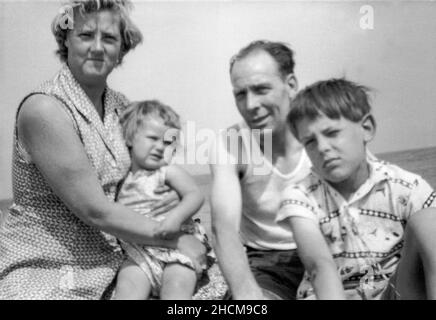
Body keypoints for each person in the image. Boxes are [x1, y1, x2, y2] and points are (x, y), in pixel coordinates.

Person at [0, 0, 205, 299]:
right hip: (49, 266)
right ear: (66, 39)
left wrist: (175, 204)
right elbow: (95, 210)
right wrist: (176, 239)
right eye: (85, 35)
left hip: (120, 255)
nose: (97, 47)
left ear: (121, 49)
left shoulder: (122, 107)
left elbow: (154, 163)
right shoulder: (44, 108)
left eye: (108, 38)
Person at [278, 78, 436, 299]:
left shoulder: (405, 187)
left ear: (367, 128)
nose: (323, 147)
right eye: (310, 141)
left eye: (332, 133)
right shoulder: (301, 197)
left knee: (430, 221)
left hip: (392, 292)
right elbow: (319, 266)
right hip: (329, 293)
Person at [209, 40, 312, 300]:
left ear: (291, 85)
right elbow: (225, 229)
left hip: (331, 246)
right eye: (240, 94)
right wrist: (248, 297)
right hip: (270, 263)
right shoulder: (230, 144)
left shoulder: (322, 129)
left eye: (261, 89)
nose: (251, 104)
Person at [114, 100, 214, 300]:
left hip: (177, 249)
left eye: (168, 142)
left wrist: (176, 218)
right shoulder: (120, 177)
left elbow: (195, 194)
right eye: (153, 138)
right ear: (130, 138)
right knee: (127, 287)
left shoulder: (167, 172)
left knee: (176, 288)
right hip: (138, 251)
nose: (160, 147)